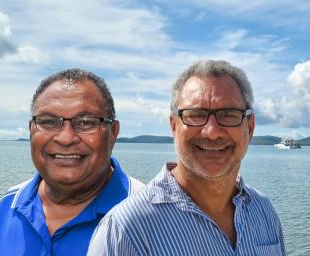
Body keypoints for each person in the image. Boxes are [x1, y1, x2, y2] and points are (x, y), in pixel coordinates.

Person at [88, 60, 287, 255]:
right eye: (195, 114)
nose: (212, 132)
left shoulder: (263, 211)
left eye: (229, 114)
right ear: (174, 126)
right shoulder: (125, 231)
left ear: (250, 128)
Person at [0, 68, 144, 255]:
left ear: (113, 133)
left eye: (86, 122)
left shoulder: (150, 216)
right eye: (48, 121)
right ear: (31, 130)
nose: (65, 138)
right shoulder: (7, 206)